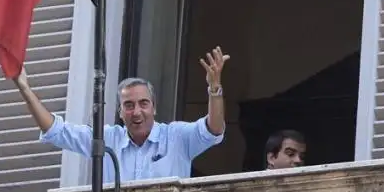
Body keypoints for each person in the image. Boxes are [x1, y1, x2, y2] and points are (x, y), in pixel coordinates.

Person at [14, 46, 230, 182]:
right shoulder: (107, 139)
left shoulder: (176, 136)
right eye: (129, 105)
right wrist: (25, 89)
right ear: (120, 112)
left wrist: (214, 89)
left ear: (154, 108)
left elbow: (214, 129)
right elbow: (56, 131)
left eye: (143, 103)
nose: (136, 112)